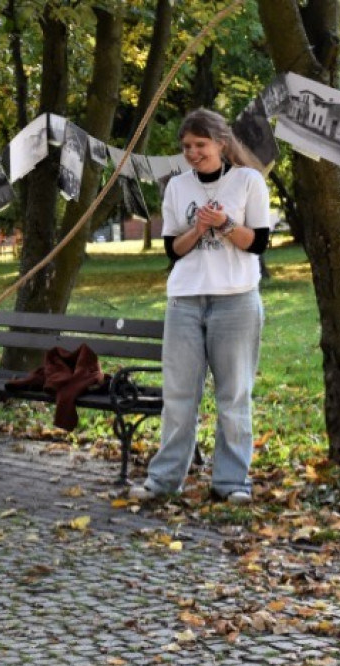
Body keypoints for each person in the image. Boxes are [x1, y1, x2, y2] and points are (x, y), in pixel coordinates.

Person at [129, 108, 270, 505]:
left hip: (236, 300)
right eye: (186, 146)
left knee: (233, 396)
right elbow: (173, 249)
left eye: (200, 145)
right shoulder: (177, 188)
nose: (192, 153)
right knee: (178, 397)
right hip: (186, 301)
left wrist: (224, 224)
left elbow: (257, 243)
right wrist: (200, 228)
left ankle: (230, 483)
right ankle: (164, 480)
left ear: (221, 144)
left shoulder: (248, 181)